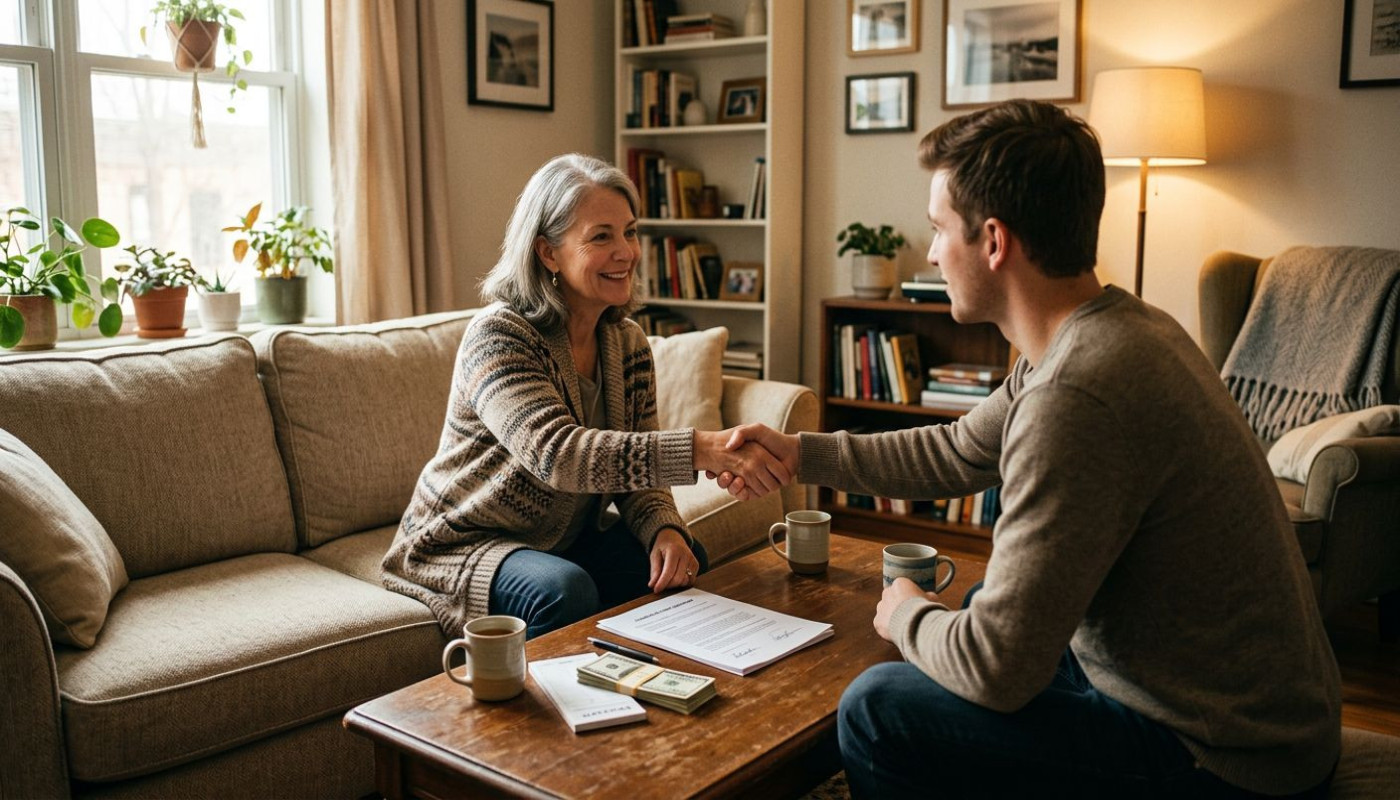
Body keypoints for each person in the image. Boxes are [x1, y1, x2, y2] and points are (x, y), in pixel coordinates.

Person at [716, 100, 1341, 797]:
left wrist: (908, 612)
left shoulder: (1077, 395)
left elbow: (994, 670)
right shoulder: (1111, 329)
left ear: (992, 240)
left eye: (937, 230)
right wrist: (802, 453)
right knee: (986, 599)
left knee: (876, 710)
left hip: (1225, 758)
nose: (928, 253)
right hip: (1236, 709)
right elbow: (956, 450)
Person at [382, 153, 789, 640]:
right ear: (548, 253)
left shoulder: (627, 343)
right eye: (601, 236)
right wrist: (701, 448)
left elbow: (640, 473)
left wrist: (663, 527)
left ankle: (650, 692)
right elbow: (558, 454)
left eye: (630, 232)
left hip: (560, 541)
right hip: (466, 540)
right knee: (563, 591)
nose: (627, 252)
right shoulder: (499, 336)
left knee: (684, 558)